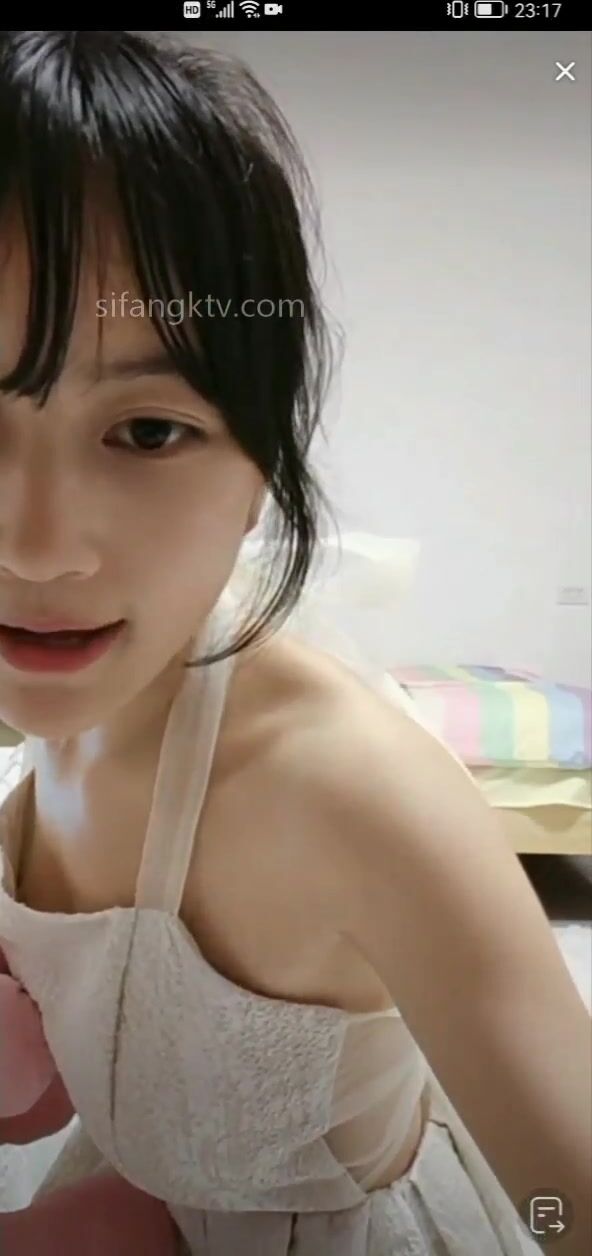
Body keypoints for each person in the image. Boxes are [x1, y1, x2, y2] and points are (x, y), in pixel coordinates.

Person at [0, 29, 589, 1256]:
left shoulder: (348, 791)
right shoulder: (61, 693)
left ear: (261, 462)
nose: (41, 549)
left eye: (148, 431)